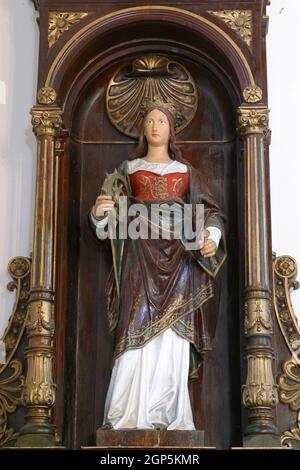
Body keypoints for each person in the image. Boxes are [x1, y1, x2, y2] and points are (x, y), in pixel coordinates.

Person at [89, 97, 227, 430]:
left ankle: (169, 414)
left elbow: (210, 212)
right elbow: (109, 211)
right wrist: (99, 212)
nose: (155, 126)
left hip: (180, 259)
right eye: (149, 120)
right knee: (133, 324)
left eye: (161, 121)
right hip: (139, 257)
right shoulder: (128, 170)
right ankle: (127, 416)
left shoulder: (186, 172)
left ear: (171, 129)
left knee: (174, 337)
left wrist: (212, 235)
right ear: (142, 128)